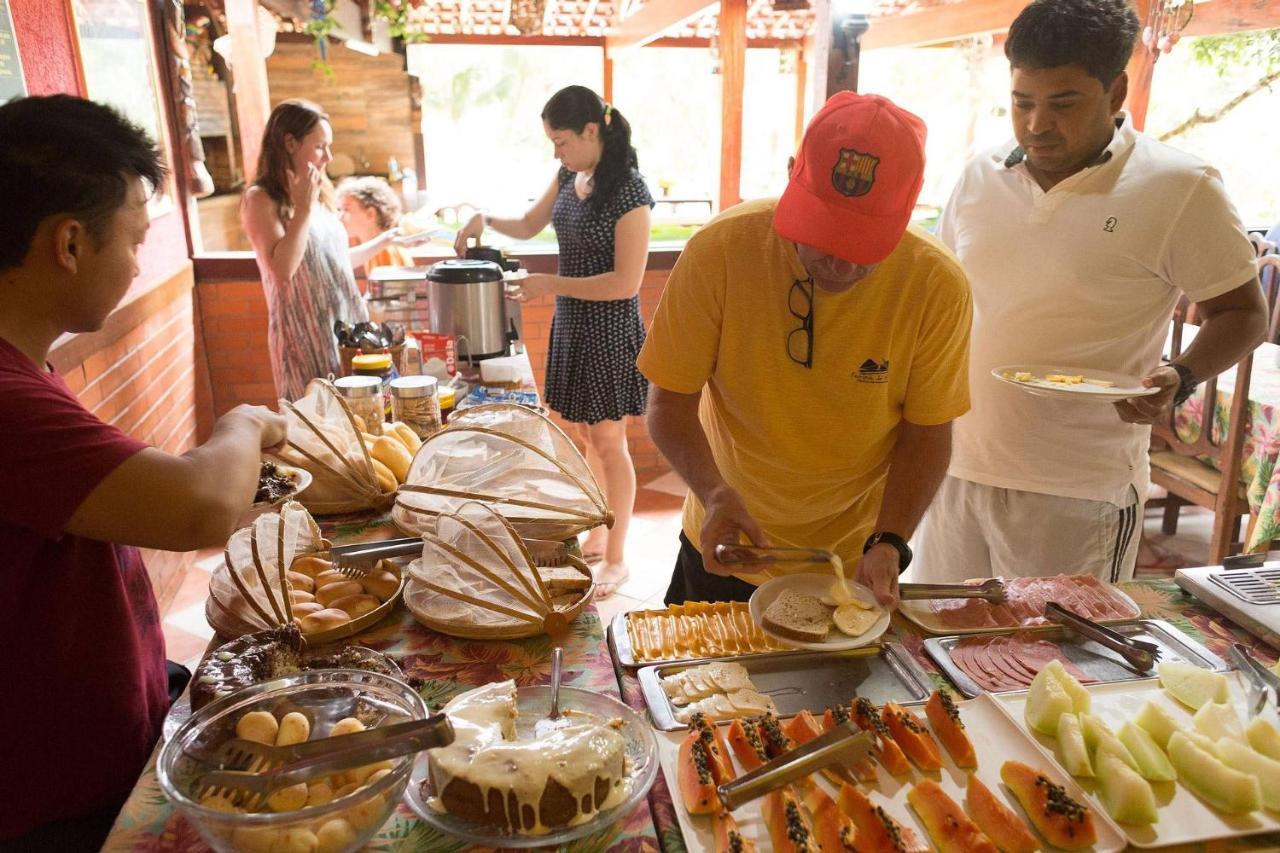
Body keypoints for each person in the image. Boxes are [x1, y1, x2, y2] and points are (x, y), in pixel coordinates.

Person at [0, 95, 287, 848]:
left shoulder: (28, 369)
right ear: (68, 243)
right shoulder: (6, 400)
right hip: (46, 798)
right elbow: (196, 506)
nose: (136, 263)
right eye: (132, 237)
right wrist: (246, 421)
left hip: (106, 739)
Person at [913, 0, 1267, 585]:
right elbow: (948, 296)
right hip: (954, 467)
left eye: (1064, 104)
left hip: (1078, 485)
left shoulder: (1179, 186)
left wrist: (1180, 377)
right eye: (1022, 104)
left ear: (1117, 90)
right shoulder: (980, 173)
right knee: (940, 653)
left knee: (1062, 664)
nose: (1036, 126)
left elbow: (1243, 312)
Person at [638, 91, 972, 608]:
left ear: (909, 207)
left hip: (849, 559)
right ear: (793, 173)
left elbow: (927, 434)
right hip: (726, 539)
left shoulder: (936, 284)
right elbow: (669, 403)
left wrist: (890, 540)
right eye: (823, 234)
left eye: (862, 246)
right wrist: (714, 492)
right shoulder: (721, 251)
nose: (838, 263)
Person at [453, 85, 653, 597]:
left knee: (610, 442)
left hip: (609, 328)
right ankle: (594, 529)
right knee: (587, 438)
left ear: (592, 131)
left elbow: (625, 283)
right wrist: (485, 218)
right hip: (574, 322)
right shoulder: (571, 174)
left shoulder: (630, 192)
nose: (556, 153)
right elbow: (528, 223)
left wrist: (551, 284)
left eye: (561, 141)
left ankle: (617, 555)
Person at [243, 100, 401, 400]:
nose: (328, 157)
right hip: (303, 338)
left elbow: (332, 264)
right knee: (316, 431)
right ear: (290, 143)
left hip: (344, 332)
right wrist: (302, 208)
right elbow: (282, 271)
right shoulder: (261, 200)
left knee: (361, 423)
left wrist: (384, 241)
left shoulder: (320, 191)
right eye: (320, 147)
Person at [336, 175, 415, 274]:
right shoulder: (374, 248)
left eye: (346, 209)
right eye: (340, 210)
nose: (339, 217)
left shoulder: (384, 251)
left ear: (370, 214)